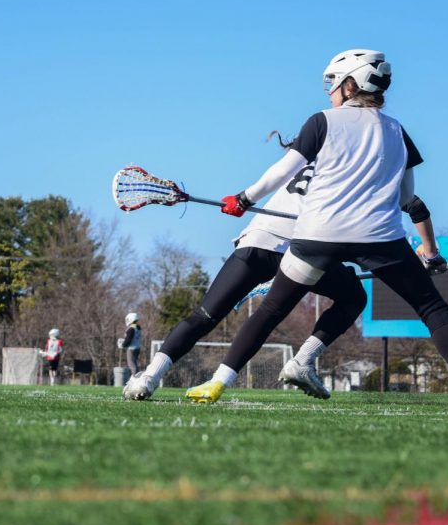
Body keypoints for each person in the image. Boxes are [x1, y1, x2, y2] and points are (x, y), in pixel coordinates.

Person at [189, 49, 448, 408]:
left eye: (333, 83)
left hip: (317, 235)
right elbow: (407, 197)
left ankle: (216, 384)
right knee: (432, 308)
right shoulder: (399, 131)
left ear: (351, 85)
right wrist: (426, 251)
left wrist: (242, 199)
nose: (329, 91)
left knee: (271, 310)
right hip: (381, 238)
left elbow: (281, 172)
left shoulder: (322, 121)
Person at [123, 153, 377, 401]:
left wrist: (242, 199)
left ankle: (148, 378)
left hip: (256, 240)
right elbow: (344, 233)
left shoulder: (304, 155)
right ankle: (301, 362)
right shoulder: (348, 172)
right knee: (352, 297)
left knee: (203, 316)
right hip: (299, 251)